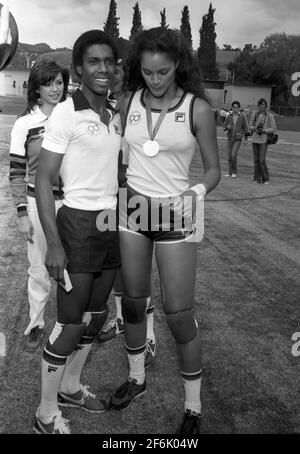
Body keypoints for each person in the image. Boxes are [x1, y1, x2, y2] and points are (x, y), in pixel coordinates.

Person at [109, 27, 220, 434]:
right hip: (133, 213)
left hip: (176, 218)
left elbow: (213, 171)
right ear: (139, 68)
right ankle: (137, 379)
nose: (155, 79)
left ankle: (193, 407)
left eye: (164, 71)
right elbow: (120, 154)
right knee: (134, 304)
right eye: (148, 72)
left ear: (178, 66)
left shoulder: (198, 109)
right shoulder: (128, 102)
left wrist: (194, 192)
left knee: (178, 315)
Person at [33, 30, 122, 434]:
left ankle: (70, 386)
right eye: (93, 62)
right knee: (70, 322)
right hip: (77, 223)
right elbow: (44, 180)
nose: (103, 68)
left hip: (109, 222)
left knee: (95, 313)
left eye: (109, 61)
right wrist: (53, 244)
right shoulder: (66, 112)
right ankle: (45, 413)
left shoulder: (116, 113)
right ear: (80, 68)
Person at [96, 58, 157, 369]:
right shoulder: (104, 103)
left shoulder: (140, 102)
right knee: (117, 261)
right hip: (110, 193)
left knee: (138, 271)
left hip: (136, 193)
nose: (110, 73)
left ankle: (149, 336)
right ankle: (121, 319)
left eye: (117, 67)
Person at [9, 60, 69, 352]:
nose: (55, 89)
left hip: (71, 203)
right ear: (36, 88)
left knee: (76, 265)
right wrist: (22, 213)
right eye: (48, 83)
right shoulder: (24, 124)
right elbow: (17, 172)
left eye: (59, 82)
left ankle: (72, 322)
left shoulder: (72, 117)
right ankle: (36, 323)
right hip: (36, 203)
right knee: (38, 266)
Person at [249, 98, 277, 184]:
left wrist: (264, 130)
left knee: (261, 160)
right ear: (258, 106)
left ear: (266, 106)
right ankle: (256, 179)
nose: (262, 106)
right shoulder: (255, 113)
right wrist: (255, 129)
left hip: (264, 140)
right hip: (255, 139)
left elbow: (274, 128)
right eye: (260, 104)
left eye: (263, 105)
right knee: (256, 161)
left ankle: (265, 178)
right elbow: (250, 125)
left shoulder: (269, 115)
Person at [223, 100, 250, 178]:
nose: (235, 108)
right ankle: (230, 172)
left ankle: (234, 172)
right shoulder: (229, 116)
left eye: (237, 107)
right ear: (232, 108)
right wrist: (226, 127)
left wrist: (246, 139)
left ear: (239, 108)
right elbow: (224, 126)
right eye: (234, 107)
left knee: (233, 155)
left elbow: (246, 128)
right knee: (229, 156)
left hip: (238, 138)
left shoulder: (242, 116)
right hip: (230, 138)